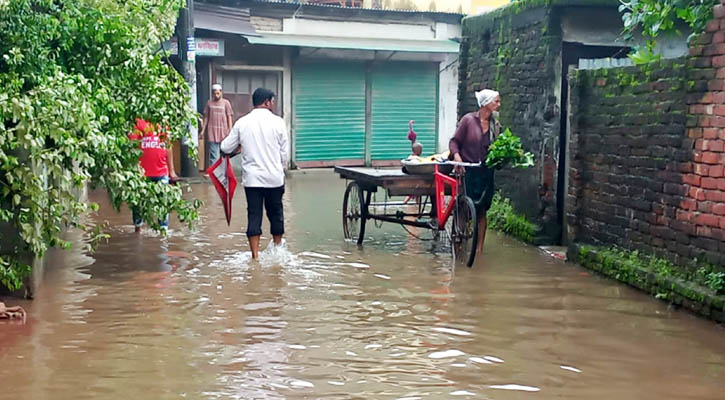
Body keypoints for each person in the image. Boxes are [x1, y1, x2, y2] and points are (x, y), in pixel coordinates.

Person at [221, 88, 288, 259]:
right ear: (267, 102)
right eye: (272, 101)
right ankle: (278, 250)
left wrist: (241, 146)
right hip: (274, 178)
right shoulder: (278, 122)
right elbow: (284, 154)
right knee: (276, 214)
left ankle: (255, 257)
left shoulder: (242, 123)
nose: (273, 104)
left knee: (254, 215)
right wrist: (279, 168)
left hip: (253, 180)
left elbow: (225, 147)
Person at [449, 89, 501, 255]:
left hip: (486, 173)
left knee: (482, 210)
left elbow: (498, 148)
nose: (499, 105)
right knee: (464, 207)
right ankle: (457, 241)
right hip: (468, 170)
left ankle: (479, 250)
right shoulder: (468, 120)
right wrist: (457, 158)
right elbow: (454, 142)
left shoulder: (496, 125)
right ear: (486, 104)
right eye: (496, 102)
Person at [129, 118, 178, 233]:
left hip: (161, 172)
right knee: (138, 204)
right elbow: (132, 146)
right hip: (142, 173)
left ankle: (163, 231)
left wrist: (172, 171)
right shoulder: (138, 123)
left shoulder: (163, 123)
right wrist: (134, 169)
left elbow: (168, 146)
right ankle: (138, 228)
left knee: (163, 203)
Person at [201, 83, 233, 167]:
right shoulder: (209, 103)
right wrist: (203, 130)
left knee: (224, 152)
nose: (216, 95)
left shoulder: (226, 103)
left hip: (224, 131)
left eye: (218, 93)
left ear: (221, 92)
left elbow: (229, 116)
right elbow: (206, 117)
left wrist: (230, 130)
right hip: (212, 130)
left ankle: (223, 171)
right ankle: (214, 172)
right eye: (214, 93)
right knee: (213, 153)